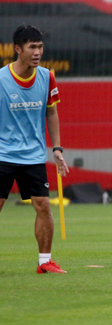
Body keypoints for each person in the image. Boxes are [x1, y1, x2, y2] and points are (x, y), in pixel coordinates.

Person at [0, 25, 69, 274]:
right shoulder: (1, 79)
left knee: (43, 205)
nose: (37, 51)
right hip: (3, 155)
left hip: (33, 156)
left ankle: (44, 262)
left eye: (40, 46)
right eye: (32, 47)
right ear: (17, 49)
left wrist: (57, 149)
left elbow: (52, 112)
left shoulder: (47, 77)